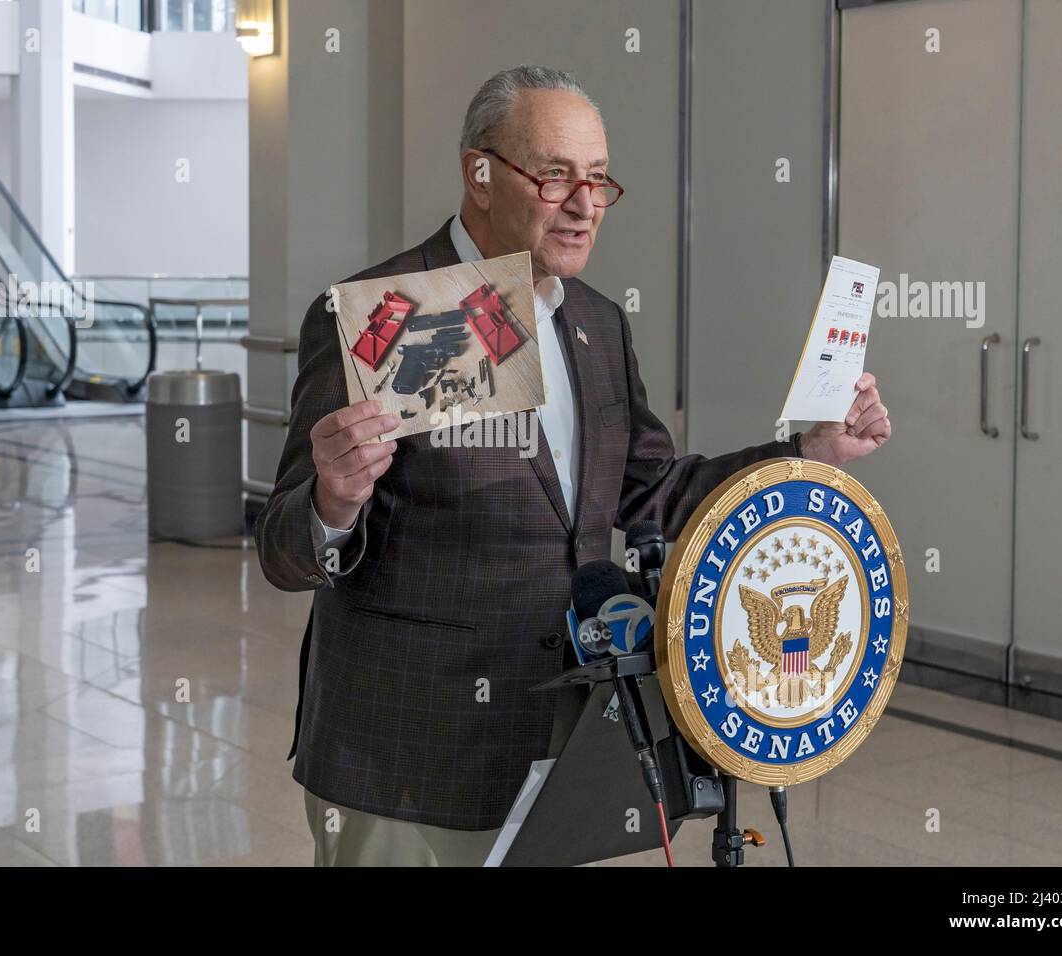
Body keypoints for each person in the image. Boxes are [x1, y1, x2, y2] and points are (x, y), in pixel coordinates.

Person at [256, 65, 891, 866]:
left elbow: (652, 490)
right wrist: (332, 501)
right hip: (408, 758)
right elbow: (281, 550)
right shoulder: (384, 315)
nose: (585, 204)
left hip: (567, 748)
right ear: (478, 174)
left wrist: (808, 453)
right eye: (555, 175)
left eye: (598, 179)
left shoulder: (595, 323)